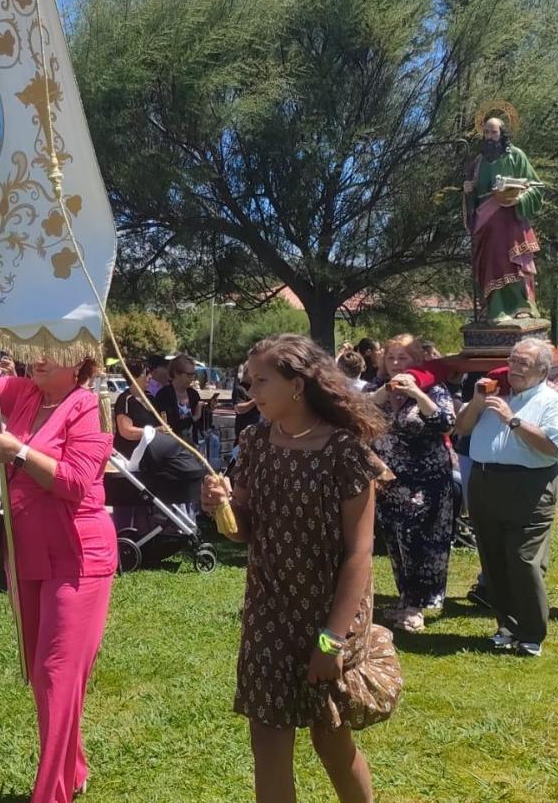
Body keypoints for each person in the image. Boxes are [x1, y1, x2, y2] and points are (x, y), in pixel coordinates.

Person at [200, 334, 390, 803]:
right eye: (250, 382)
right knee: (267, 737)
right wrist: (220, 508)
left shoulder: (345, 452)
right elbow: (242, 531)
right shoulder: (256, 441)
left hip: (331, 615)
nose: (252, 392)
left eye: (262, 381)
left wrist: (332, 640)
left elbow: (358, 554)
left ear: (298, 384)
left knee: (330, 739)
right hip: (269, 610)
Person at [0, 325, 114, 803]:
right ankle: (73, 764)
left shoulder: (89, 407)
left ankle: (53, 792)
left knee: (54, 672)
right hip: (26, 553)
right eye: (35, 349)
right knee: (39, 672)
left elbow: (75, 482)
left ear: (80, 359)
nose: (38, 357)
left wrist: (19, 453)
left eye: (52, 351)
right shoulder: (22, 393)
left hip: (79, 553)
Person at [453, 340, 558, 657]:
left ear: (543, 370)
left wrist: (512, 419)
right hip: (484, 482)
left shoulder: (553, 404)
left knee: (522, 559)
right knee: (493, 560)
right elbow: (461, 430)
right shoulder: (493, 396)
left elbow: (552, 447)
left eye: (524, 363)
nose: (515, 368)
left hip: (528, 487)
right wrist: (478, 404)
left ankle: (532, 632)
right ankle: (506, 627)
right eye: (513, 360)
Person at [369, 334, 457, 632]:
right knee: (396, 543)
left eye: (403, 358)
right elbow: (356, 417)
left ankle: (418, 605)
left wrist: (418, 394)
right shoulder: (376, 389)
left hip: (426, 482)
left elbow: (446, 422)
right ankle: (405, 598)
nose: (396, 364)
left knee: (420, 542)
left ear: (417, 361)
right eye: (391, 357)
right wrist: (384, 393)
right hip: (388, 482)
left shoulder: (434, 388)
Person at [464, 115, 543, 324]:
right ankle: (492, 308)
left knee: (511, 262)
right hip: (486, 224)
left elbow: (536, 187)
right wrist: (468, 191)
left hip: (510, 220)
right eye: (487, 132)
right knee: (489, 264)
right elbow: (472, 198)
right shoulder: (478, 162)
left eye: (494, 132)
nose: (490, 137)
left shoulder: (516, 156)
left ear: (502, 133)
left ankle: (520, 306)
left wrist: (518, 197)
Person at [152, 354, 205, 446]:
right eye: (189, 375)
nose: (192, 378)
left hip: (193, 447)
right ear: (176, 373)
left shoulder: (193, 394)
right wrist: (194, 417)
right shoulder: (164, 395)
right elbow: (168, 425)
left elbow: (201, 424)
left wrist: (208, 410)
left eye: (194, 374)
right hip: (171, 447)